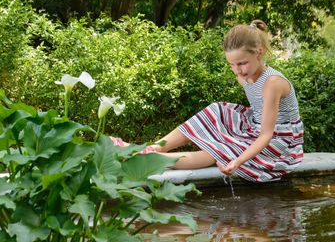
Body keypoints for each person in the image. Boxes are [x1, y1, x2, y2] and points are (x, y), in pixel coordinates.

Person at [114, 19, 304, 182]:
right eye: (232, 65)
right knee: (216, 110)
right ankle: (153, 147)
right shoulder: (243, 75)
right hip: (256, 124)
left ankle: (154, 159)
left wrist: (237, 161)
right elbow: (257, 111)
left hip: (280, 140)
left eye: (242, 63)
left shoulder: (272, 83)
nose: (238, 70)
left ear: (259, 53)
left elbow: (266, 135)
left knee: (224, 149)